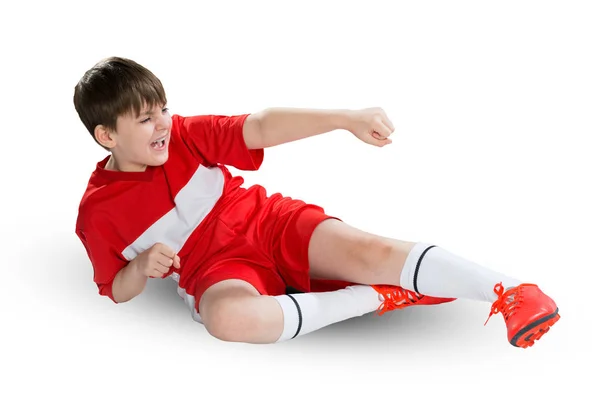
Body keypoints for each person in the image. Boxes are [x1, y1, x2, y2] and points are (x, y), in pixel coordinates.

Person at [73, 56, 560, 348]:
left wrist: (345, 118)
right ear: (106, 135)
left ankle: (513, 291)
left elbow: (259, 126)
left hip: (267, 222)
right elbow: (114, 288)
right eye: (144, 119)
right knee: (227, 320)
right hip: (215, 269)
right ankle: (377, 296)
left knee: (368, 249)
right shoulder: (99, 213)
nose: (162, 124)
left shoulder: (182, 135)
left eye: (163, 109)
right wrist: (140, 270)